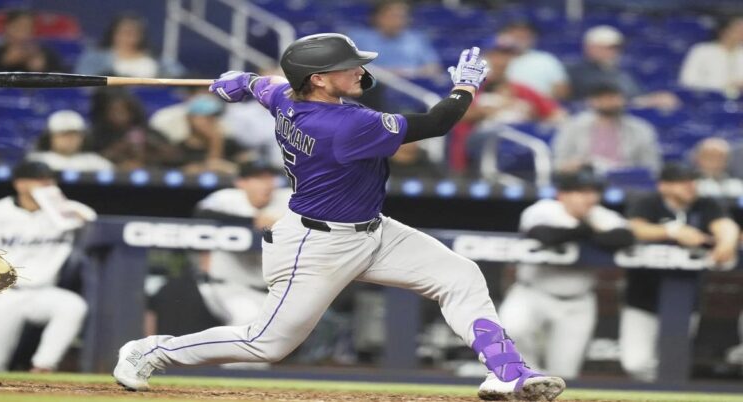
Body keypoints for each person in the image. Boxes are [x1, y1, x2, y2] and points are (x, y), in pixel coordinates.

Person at [112, 33, 566, 401]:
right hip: (316, 244)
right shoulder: (344, 126)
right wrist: (466, 87)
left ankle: (506, 370)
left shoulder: (289, 97)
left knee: (460, 275)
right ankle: (150, 351)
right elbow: (438, 123)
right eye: (346, 67)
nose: (360, 71)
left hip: (374, 229)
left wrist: (245, 82)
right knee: (265, 344)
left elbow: (267, 87)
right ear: (319, 81)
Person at [499, 167, 635, 379]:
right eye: (581, 192)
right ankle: (527, 382)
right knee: (512, 331)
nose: (589, 198)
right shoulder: (544, 209)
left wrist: (582, 233)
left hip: (577, 302)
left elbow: (624, 237)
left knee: (564, 373)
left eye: (594, 192)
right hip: (533, 292)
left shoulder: (602, 215)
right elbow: (544, 235)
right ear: (562, 194)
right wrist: (587, 231)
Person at [621, 163, 740, 382]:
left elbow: (725, 225)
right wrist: (672, 230)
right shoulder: (649, 202)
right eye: (683, 182)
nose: (690, 186)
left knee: (671, 359)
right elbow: (635, 228)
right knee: (635, 362)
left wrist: (727, 242)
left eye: (692, 181)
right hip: (641, 299)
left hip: (685, 300)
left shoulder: (705, 204)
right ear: (664, 186)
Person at [0, 161, 94, 372]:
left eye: (49, 180)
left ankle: (43, 366)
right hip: (0, 294)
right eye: (39, 180)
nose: (46, 185)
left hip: (42, 292)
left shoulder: (66, 213)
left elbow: (93, 221)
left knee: (72, 306)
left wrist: (67, 210)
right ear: (20, 184)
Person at [193, 162, 290, 327]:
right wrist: (252, 221)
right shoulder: (227, 198)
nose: (266, 184)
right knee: (249, 323)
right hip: (230, 287)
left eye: (270, 178)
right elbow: (201, 214)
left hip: (273, 291)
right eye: (258, 179)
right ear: (241, 182)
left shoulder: (286, 198)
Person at [450, 36, 565, 174]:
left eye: (507, 55)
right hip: (474, 154)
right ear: (486, 57)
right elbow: (452, 115)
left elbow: (556, 114)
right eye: (496, 55)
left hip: (519, 150)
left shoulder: (522, 89)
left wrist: (531, 115)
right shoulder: (468, 86)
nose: (502, 60)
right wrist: (489, 110)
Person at [552, 84, 661, 175]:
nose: (607, 102)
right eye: (602, 98)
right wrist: (573, 165)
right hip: (583, 180)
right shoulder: (573, 127)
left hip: (625, 181)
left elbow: (651, 167)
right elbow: (559, 163)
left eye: (612, 97)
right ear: (592, 101)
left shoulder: (641, 129)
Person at [565, 25, 679, 110]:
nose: (614, 52)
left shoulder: (620, 71)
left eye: (616, 48)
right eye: (608, 47)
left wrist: (653, 99)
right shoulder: (578, 72)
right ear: (590, 48)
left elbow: (637, 94)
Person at [346, 0, 442, 79]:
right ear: (378, 17)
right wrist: (388, 73)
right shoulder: (358, 37)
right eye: (393, 16)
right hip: (373, 89)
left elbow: (433, 67)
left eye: (402, 16)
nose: (398, 21)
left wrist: (408, 72)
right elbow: (349, 68)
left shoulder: (417, 39)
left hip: (412, 88)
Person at [89, 88, 180, 169]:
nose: (119, 115)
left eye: (124, 110)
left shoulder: (150, 133)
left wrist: (153, 145)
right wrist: (121, 146)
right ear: (104, 112)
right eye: (114, 111)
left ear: (133, 111)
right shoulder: (97, 136)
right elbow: (91, 160)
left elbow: (175, 157)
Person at [75, 13, 184, 78]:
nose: (128, 37)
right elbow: (82, 83)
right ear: (113, 33)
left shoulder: (158, 60)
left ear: (141, 36)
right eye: (124, 32)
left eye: (133, 33)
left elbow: (180, 78)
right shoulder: (95, 57)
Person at [0, 9, 65, 73]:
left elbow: (62, 79)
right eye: (18, 27)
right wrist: (4, 63)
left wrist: (42, 70)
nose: (22, 32)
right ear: (7, 27)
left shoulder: (45, 53)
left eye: (27, 28)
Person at [178, 95, 248, 175]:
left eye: (214, 117)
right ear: (190, 119)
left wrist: (216, 140)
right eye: (206, 117)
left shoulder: (231, 145)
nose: (212, 121)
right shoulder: (180, 149)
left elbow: (247, 166)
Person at [499, 21, 570, 100]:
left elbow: (562, 91)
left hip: (542, 106)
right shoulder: (497, 60)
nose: (520, 38)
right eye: (516, 34)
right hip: (506, 104)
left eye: (524, 35)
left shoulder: (546, 59)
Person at [27, 110, 114, 172]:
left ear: (82, 137)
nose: (69, 139)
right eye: (63, 134)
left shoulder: (97, 163)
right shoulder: (36, 161)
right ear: (51, 137)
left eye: (73, 134)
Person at [679, 16, 743, 98]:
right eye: (739, 30)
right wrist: (724, 85)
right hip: (707, 99)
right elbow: (687, 81)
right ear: (724, 31)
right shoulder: (701, 50)